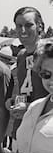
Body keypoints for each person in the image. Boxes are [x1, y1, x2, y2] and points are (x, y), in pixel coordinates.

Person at [7, 7, 49, 139]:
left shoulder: (49, 53)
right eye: (19, 26)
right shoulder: (21, 55)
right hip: (23, 126)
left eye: (28, 25)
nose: (23, 30)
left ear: (40, 26)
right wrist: (14, 101)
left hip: (45, 128)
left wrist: (30, 107)